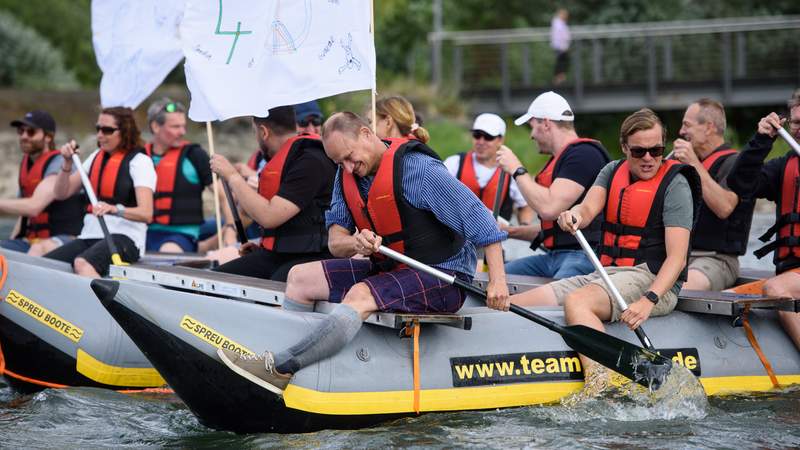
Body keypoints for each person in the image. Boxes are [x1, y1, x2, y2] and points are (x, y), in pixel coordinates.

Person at [216, 112, 510, 394]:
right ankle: (277, 355)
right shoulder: (345, 177)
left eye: (348, 157)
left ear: (366, 134)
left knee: (360, 294)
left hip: (443, 275)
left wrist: (497, 281)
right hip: (392, 268)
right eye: (338, 162)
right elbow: (335, 241)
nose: (346, 167)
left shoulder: (419, 170)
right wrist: (356, 242)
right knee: (300, 277)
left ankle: (282, 368)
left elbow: (482, 222)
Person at [508, 109, 700, 381]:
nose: (648, 158)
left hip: (654, 280)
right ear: (624, 148)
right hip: (607, 275)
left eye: (656, 150)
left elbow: (677, 259)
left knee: (577, 302)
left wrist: (649, 300)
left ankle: (603, 382)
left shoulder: (676, 185)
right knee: (517, 304)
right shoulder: (612, 171)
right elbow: (586, 209)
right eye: (639, 151)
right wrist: (574, 215)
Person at [209, 105, 336, 281]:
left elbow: (269, 216)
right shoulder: (289, 160)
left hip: (316, 256)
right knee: (214, 280)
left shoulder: (310, 161)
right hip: (282, 254)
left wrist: (232, 176)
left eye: (255, 133)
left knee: (275, 282)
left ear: (263, 132)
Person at [496, 91, 610, 278]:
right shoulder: (563, 159)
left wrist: (516, 169)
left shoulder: (584, 155)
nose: (532, 135)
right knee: (497, 277)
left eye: (532, 126)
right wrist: (508, 231)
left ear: (546, 124)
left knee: (553, 296)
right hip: (554, 256)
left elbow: (549, 208)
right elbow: (553, 227)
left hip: (584, 254)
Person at [726, 92, 800, 351]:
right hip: (791, 274)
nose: (799, 130)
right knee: (726, 300)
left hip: (786, 282)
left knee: (776, 287)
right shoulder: (785, 167)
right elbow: (741, 183)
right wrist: (761, 140)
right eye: (796, 123)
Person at [44, 107, 155, 277]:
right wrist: (66, 163)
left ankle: (97, 304)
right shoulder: (96, 156)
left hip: (125, 239)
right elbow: (61, 193)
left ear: (125, 131)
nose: (100, 135)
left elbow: (146, 213)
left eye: (107, 130)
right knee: (46, 266)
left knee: (83, 264)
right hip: (90, 236)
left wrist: (114, 209)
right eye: (98, 129)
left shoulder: (140, 162)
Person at [672, 99, 755, 291]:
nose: (681, 132)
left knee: (679, 288)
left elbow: (724, 207)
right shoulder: (687, 164)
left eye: (687, 125)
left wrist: (693, 164)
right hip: (679, 258)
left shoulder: (736, 163)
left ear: (708, 127)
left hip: (717, 260)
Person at [0, 110, 83, 255]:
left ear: (48, 137)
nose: (24, 136)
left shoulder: (58, 162)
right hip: (32, 241)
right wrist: (12, 240)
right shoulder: (26, 164)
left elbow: (34, 207)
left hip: (65, 239)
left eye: (31, 132)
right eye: (21, 131)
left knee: (37, 249)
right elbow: (23, 214)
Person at [143, 98, 214, 253]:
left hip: (181, 234)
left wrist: (229, 228)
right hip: (143, 232)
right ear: (155, 126)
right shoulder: (139, 156)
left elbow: (222, 195)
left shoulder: (195, 155)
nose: (182, 132)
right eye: (175, 127)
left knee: (168, 251)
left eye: (183, 126)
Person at [444, 113, 533, 223]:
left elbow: (525, 206)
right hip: (458, 236)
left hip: (494, 238)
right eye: (477, 135)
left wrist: (524, 227)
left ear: (500, 140)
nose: (481, 142)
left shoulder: (511, 171)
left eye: (488, 137)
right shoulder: (454, 163)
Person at [550, 8, 571, 86]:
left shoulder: (559, 23)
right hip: (560, 46)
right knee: (561, 62)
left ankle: (560, 78)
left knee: (562, 62)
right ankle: (558, 79)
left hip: (561, 46)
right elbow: (560, 36)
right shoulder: (558, 24)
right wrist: (564, 46)